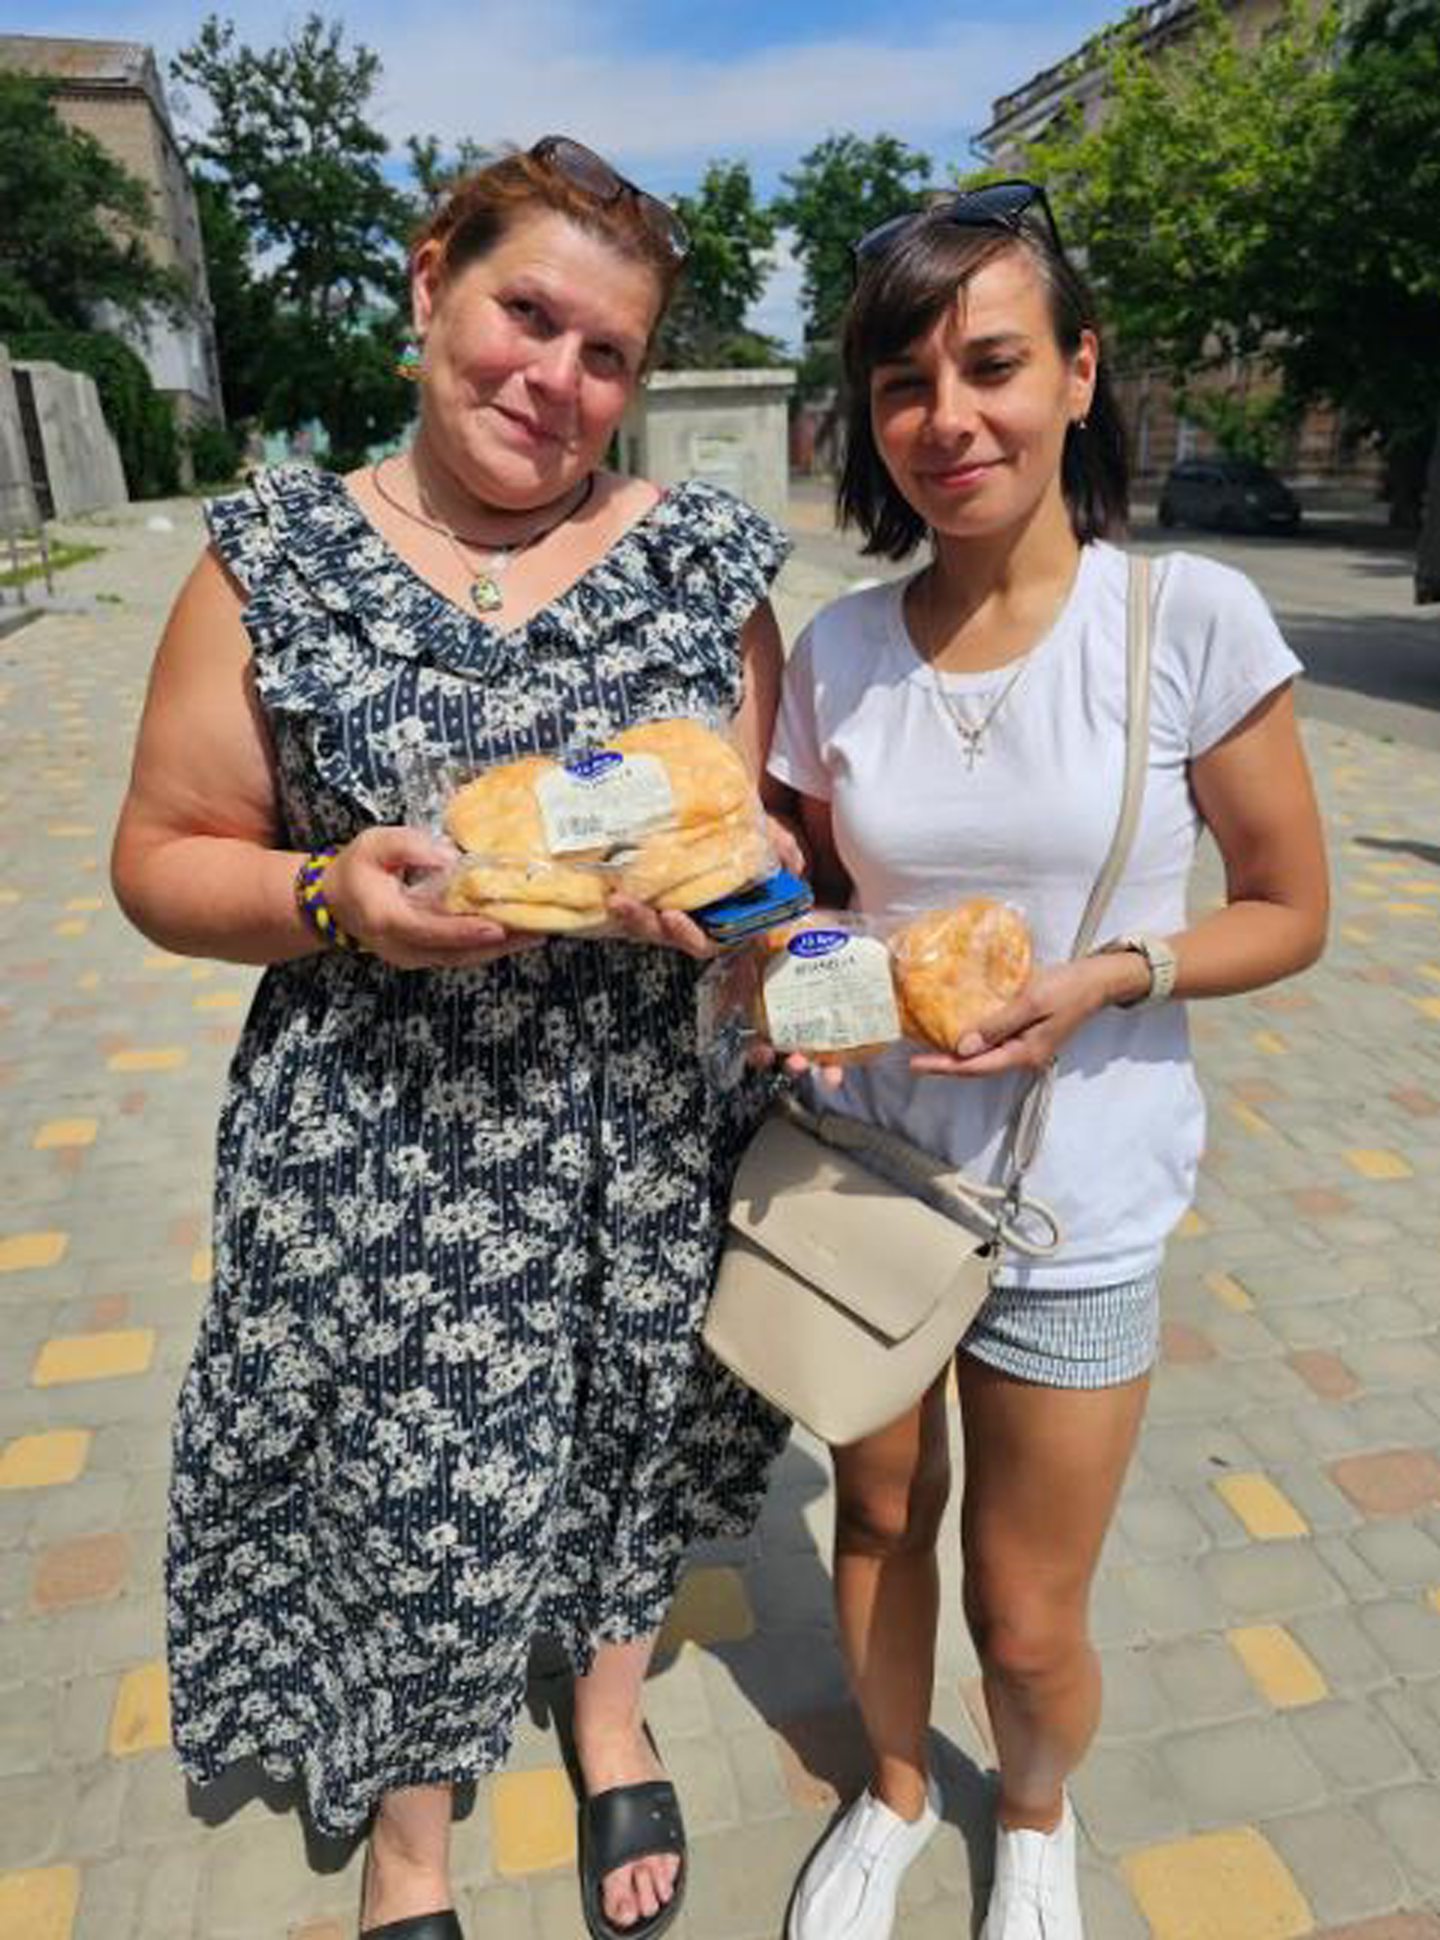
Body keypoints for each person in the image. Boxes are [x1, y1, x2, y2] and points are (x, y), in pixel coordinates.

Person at [111, 137, 793, 1940]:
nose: (553, 381)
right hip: (386, 1143)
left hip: (641, 1125)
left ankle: (610, 1704)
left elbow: (748, 832)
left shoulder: (698, 565)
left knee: (630, 1432)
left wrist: (750, 903)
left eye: (606, 357)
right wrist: (333, 900)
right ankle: (410, 1848)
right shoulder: (274, 565)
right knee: (412, 1494)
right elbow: (161, 865)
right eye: (525, 315)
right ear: (431, 287)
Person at [765, 181, 1329, 1940]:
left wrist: (1113, 975)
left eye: (993, 364)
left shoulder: (1187, 621)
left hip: (1076, 1202)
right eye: (904, 382)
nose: (950, 418)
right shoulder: (841, 648)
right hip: (868, 1178)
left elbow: (1292, 908)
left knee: (1026, 1611)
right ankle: (896, 1793)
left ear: (1081, 375)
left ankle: (1034, 1813)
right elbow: (797, 905)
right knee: (873, 1525)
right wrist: (764, 941)